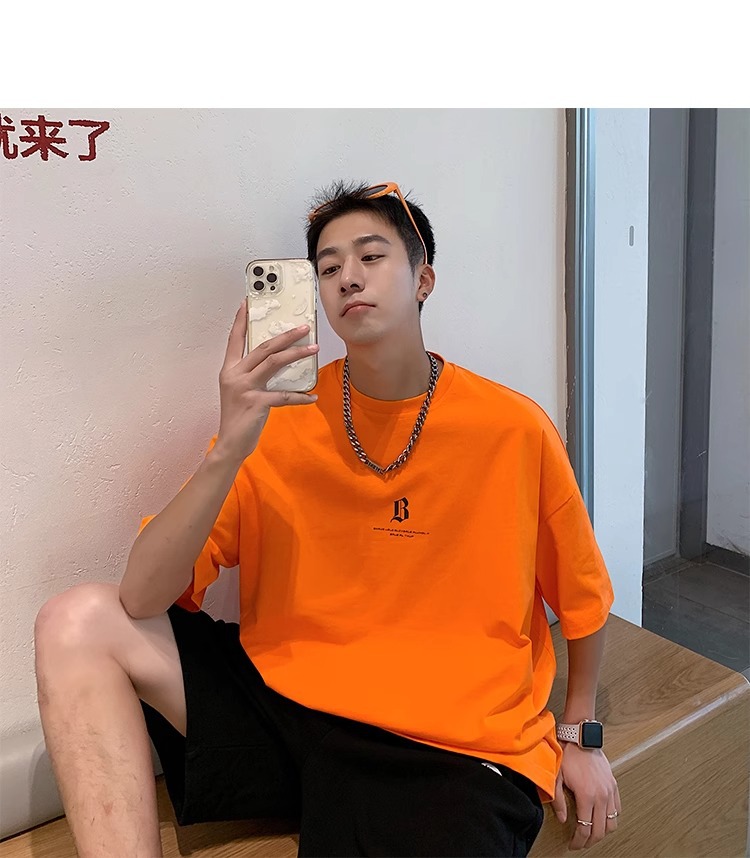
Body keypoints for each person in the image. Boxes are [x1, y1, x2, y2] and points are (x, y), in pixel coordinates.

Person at [35, 180, 620, 858]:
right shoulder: (280, 420)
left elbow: (583, 600)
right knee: (76, 620)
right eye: (329, 266)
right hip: (287, 708)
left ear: (423, 279)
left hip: (442, 743)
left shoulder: (512, 429)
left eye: (371, 256)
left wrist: (580, 736)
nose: (348, 277)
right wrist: (230, 447)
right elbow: (140, 597)